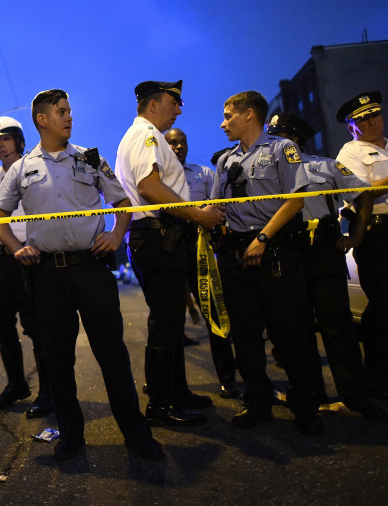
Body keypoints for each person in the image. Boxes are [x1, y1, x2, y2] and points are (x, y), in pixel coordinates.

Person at [0, 89, 163, 462]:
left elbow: (122, 204)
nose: (69, 117)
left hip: (91, 269)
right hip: (48, 276)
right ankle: (71, 436)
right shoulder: (21, 169)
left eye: (69, 111)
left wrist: (116, 235)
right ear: (42, 120)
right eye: (62, 112)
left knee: (113, 356)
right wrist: (14, 247)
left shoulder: (89, 159)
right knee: (58, 360)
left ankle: (136, 435)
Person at [114, 80, 225, 427]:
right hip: (158, 238)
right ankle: (161, 405)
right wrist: (199, 214)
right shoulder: (147, 136)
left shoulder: (146, 136)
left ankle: (177, 391)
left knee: (173, 322)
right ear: (152, 105)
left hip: (162, 238)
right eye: (173, 103)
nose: (178, 110)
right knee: (165, 323)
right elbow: (149, 187)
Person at [211, 91, 323, 434]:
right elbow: (217, 206)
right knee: (245, 337)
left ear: (249, 115)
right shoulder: (225, 161)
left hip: (274, 252)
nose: (223, 122)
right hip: (237, 255)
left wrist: (262, 239)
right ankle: (258, 403)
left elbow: (296, 199)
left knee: (289, 334)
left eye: (229, 115)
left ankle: (306, 408)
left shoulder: (281, 149)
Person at [267, 112, 386, 420]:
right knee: (297, 327)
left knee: (338, 325)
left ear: (294, 138)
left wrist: (357, 236)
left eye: (277, 137)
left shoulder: (325, 165)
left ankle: (355, 396)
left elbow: (362, 195)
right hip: (287, 249)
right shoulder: (267, 172)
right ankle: (310, 396)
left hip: (323, 248)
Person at [0, 116, 52, 418]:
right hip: (3, 260)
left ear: (18, 141)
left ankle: (47, 391)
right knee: (2, 323)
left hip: (29, 258)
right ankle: (17, 384)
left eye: (6, 139)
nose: (1, 145)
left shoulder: (32, 169)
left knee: (34, 326)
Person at [164, 128, 240, 399]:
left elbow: (217, 206)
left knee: (215, 312)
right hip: (170, 246)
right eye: (172, 142)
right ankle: (167, 382)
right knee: (168, 319)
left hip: (199, 246)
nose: (178, 146)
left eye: (182, 141)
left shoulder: (203, 174)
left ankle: (228, 378)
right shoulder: (158, 177)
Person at [335, 91, 388, 397]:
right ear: (351, 126)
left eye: (375, 115)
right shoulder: (349, 154)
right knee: (382, 304)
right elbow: (359, 194)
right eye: (363, 120)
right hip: (375, 233)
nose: (371, 123)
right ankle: (376, 378)